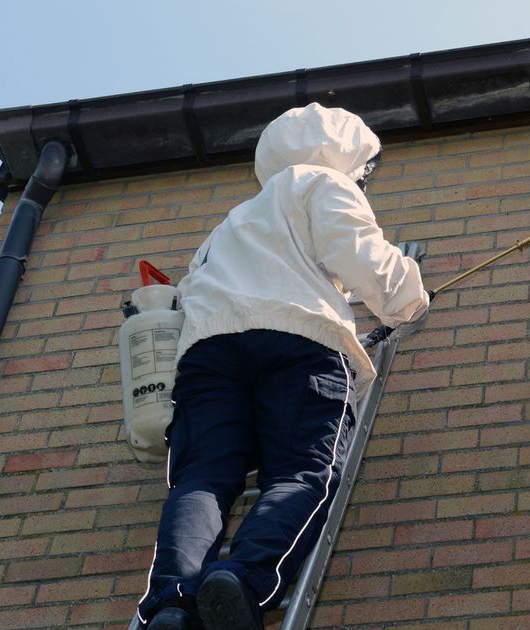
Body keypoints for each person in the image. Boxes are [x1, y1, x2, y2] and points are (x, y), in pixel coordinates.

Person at [136, 103, 429, 630]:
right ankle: (245, 579)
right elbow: (363, 258)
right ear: (347, 153)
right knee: (303, 471)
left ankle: (172, 602)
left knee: (201, 478)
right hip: (299, 344)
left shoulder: (228, 226)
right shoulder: (322, 184)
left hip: (208, 356)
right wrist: (409, 298)